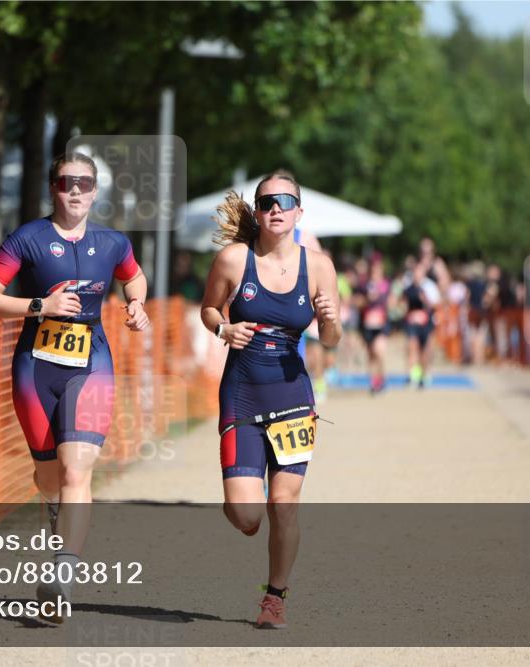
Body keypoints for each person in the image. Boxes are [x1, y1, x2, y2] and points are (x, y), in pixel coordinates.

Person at [0, 152, 149, 618]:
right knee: (49, 476)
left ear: (95, 191)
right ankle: (54, 507)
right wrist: (40, 306)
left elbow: (135, 278)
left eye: (85, 183)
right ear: (53, 187)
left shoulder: (113, 242)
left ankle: (61, 577)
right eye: (67, 181)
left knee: (77, 469)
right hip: (36, 366)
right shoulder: (27, 238)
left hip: (92, 361)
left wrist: (136, 304)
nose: (76, 190)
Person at [200, 170, 341, 629]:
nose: (275, 208)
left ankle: (275, 598)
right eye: (266, 202)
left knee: (285, 504)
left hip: (293, 394)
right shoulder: (233, 260)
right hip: (242, 394)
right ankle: (241, 500)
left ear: (299, 210)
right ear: (257, 213)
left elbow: (332, 339)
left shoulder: (318, 265)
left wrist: (330, 320)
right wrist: (223, 327)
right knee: (246, 515)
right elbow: (208, 309)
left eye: (284, 200)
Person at [354, 252, 392, 394]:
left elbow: (392, 302)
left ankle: (381, 379)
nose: (375, 269)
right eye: (372, 266)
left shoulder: (387, 284)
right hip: (367, 325)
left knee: (379, 350)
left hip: (382, 324)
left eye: (377, 266)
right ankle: (374, 381)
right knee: (370, 354)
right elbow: (356, 301)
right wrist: (366, 300)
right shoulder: (364, 284)